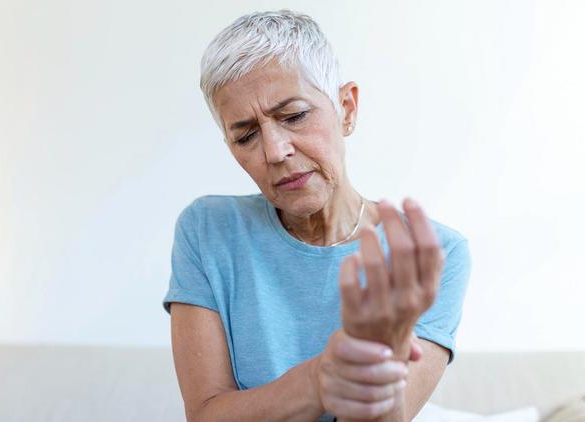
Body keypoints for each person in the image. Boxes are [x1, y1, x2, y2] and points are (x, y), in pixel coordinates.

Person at [162, 9, 471, 422]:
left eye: (294, 116)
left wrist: (376, 365)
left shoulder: (433, 253)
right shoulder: (208, 230)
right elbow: (205, 415)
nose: (275, 151)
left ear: (346, 108)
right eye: (246, 135)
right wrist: (321, 379)